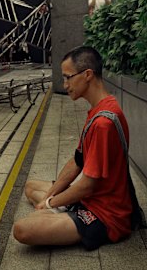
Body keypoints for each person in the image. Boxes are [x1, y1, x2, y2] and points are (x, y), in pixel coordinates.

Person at [13, 46, 135, 250]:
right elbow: (77, 162)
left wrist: (50, 204)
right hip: (88, 199)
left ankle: (62, 214)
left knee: (22, 230)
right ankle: (60, 212)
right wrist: (50, 198)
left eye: (68, 77)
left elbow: (87, 185)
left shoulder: (103, 123)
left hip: (105, 214)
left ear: (87, 75)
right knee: (31, 187)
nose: (65, 84)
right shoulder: (99, 111)